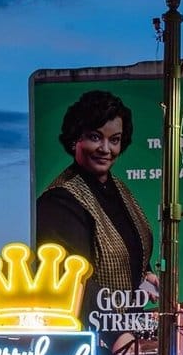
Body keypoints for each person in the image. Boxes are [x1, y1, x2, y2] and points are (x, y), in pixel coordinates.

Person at [35, 90, 155, 312]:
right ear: (75, 140)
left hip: (128, 326)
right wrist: (118, 335)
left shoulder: (118, 187)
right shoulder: (58, 202)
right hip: (89, 336)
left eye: (115, 140)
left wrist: (144, 275)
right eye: (95, 137)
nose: (105, 149)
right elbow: (71, 283)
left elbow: (130, 248)